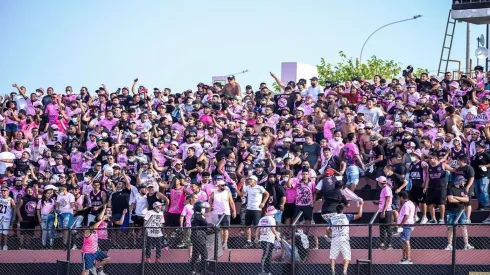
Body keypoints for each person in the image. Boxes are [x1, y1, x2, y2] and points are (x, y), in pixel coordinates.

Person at [327, 201, 364, 275]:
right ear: (343, 210)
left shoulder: (332, 218)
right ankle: (344, 271)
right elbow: (359, 215)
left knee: (332, 256)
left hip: (335, 238)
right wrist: (361, 205)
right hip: (344, 238)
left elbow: (327, 229)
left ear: (336, 211)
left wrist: (330, 232)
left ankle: (333, 271)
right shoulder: (346, 216)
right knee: (346, 256)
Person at [236, 175, 269, 248]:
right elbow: (241, 195)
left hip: (257, 209)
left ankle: (257, 241)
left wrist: (263, 203)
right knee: (247, 226)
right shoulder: (247, 187)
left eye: (251, 180)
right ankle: (249, 241)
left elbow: (267, 194)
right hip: (249, 209)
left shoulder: (260, 188)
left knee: (257, 226)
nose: (249, 181)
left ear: (255, 181)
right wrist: (236, 188)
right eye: (248, 180)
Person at [445, 175, 474, 250]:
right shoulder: (450, 188)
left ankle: (466, 244)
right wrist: (461, 199)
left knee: (464, 227)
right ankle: (449, 244)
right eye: (463, 181)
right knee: (450, 228)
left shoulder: (463, 189)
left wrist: (455, 197)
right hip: (450, 211)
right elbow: (450, 200)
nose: (464, 182)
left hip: (460, 211)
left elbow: (467, 200)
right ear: (459, 181)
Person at [81, 205, 111, 275]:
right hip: (88, 253)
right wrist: (102, 219)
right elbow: (94, 227)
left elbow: (95, 241)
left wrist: (97, 247)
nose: (96, 227)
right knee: (85, 270)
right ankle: (90, 268)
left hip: (95, 251)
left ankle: (94, 267)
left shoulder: (96, 232)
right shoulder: (87, 232)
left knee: (107, 259)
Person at [208, 179, 236, 250]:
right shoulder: (213, 193)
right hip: (216, 213)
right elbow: (210, 203)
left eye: (224, 185)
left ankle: (225, 242)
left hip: (226, 212)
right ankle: (220, 242)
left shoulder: (227, 193)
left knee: (225, 228)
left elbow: (231, 202)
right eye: (222, 185)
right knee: (218, 229)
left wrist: (234, 211)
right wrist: (209, 212)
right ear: (218, 186)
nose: (223, 186)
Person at [255, 205, 281, 275]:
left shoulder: (262, 218)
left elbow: (258, 228)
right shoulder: (271, 219)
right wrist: (277, 236)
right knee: (266, 255)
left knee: (268, 255)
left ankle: (267, 271)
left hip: (263, 239)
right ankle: (263, 271)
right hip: (269, 239)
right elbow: (273, 229)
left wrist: (256, 237)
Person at [190, 201, 214, 275]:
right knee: (204, 254)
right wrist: (213, 225)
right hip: (199, 236)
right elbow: (206, 224)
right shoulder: (199, 216)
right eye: (203, 208)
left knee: (195, 254)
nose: (204, 209)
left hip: (195, 235)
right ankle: (203, 270)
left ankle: (192, 270)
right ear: (199, 208)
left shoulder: (194, 215)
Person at [397, 191, 415, 264]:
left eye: (399, 197)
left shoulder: (406, 205)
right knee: (403, 241)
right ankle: (404, 258)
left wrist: (401, 225)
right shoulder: (410, 203)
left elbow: (406, 216)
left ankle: (408, 259)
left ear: (401, 197)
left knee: (406, 241)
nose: (399, 199)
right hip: (407, 224)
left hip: (406, 225)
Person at [375, 176, 393, 249]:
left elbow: (388, 200)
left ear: (380, 182)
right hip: (383, 210)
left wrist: (384, 211)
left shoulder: (386, 189)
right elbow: (384, 200)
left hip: (386, 211)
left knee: (388, 228)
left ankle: (389, 244)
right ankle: (382, 243)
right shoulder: (384, 189)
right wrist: (378, 203)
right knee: (382, 228)